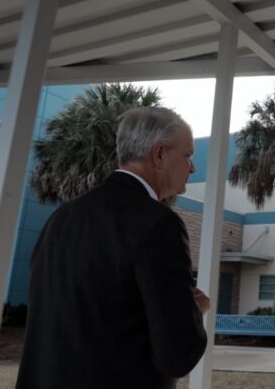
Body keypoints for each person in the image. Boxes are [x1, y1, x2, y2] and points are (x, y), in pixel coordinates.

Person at [16, 107, 209, 389]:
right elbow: (177, 356)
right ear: (159, 154)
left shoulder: (61, 218)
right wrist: (194, 310)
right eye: (187, 155)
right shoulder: (158, 224)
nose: (192, 167)